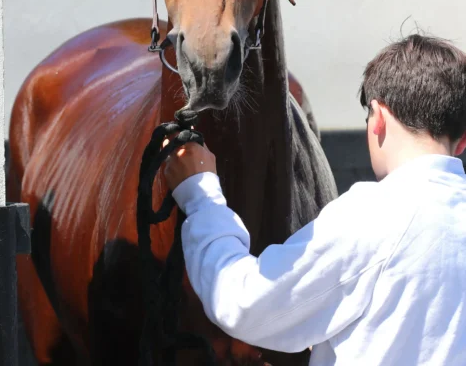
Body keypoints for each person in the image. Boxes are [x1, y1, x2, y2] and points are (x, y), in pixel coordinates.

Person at [164, 34, 466, 365]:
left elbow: (244, 304)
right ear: (462, 142)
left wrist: (201, 195)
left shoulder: (371, 217)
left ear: (378, 117)